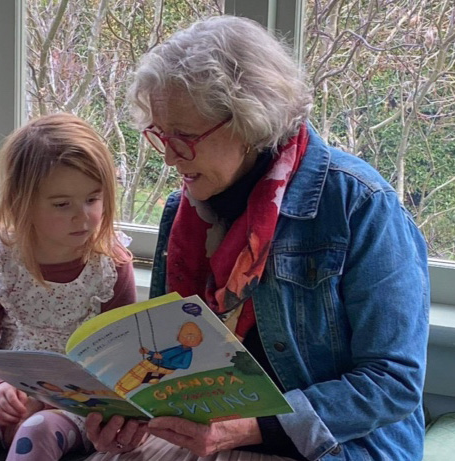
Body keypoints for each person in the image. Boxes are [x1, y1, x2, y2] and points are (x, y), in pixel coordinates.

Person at [84, 15, 430, 461]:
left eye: (185, 137)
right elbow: (168, 360)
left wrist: (254, 428)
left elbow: (393, 383)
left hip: (334, 447)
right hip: (211, 435)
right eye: (160, 135)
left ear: (250, 120)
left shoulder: (359, 204)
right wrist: (131, 417)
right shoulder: (183, 211)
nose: (169, 157)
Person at [0, 113, 137, 461]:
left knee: (36, 432)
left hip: (70, 407)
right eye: (61, 204)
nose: (82, 217)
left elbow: (121, 361)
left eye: (93, 199)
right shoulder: (3, 258)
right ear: (23, 202)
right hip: (1, 392)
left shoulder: (111, 266)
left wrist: (51, 399)